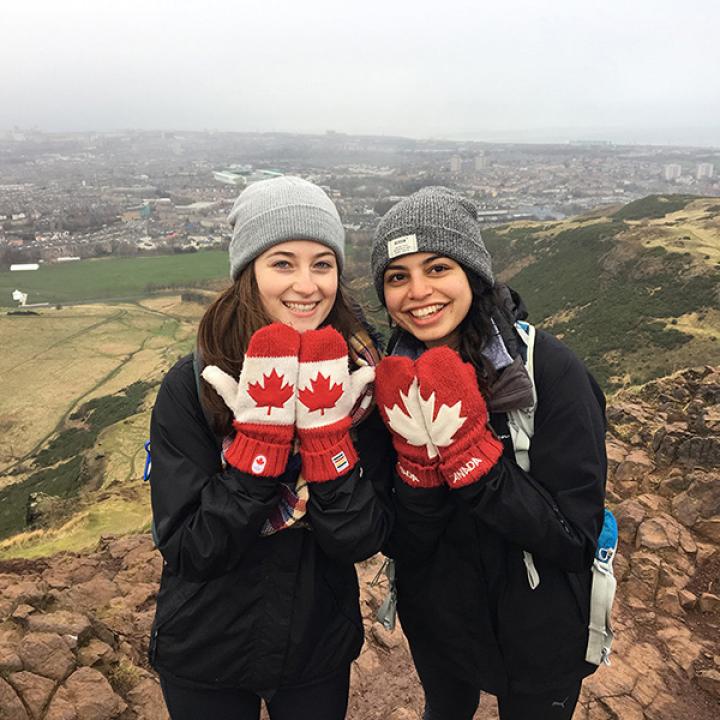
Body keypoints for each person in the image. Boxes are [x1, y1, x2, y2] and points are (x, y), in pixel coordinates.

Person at [148, 176, 392, 720]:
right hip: (206, 647)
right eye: (283, 262)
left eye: (322, 263)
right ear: (248, 272)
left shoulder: (360, 380)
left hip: (315, 646)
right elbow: (189, 548)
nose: (307, 285)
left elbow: (361, 537)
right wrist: (258, 451)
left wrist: (328, 443)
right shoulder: (198, 384)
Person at [370, 187, 607, 720]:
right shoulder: (393, 378)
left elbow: (574, 541)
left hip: (539, 630)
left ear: (473, 274)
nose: (418, 291)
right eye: (397, 276)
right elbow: (405, 541)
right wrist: (416, 470)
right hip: (438, 622)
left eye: (437, 268)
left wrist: (474, 462)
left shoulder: (548, 372)